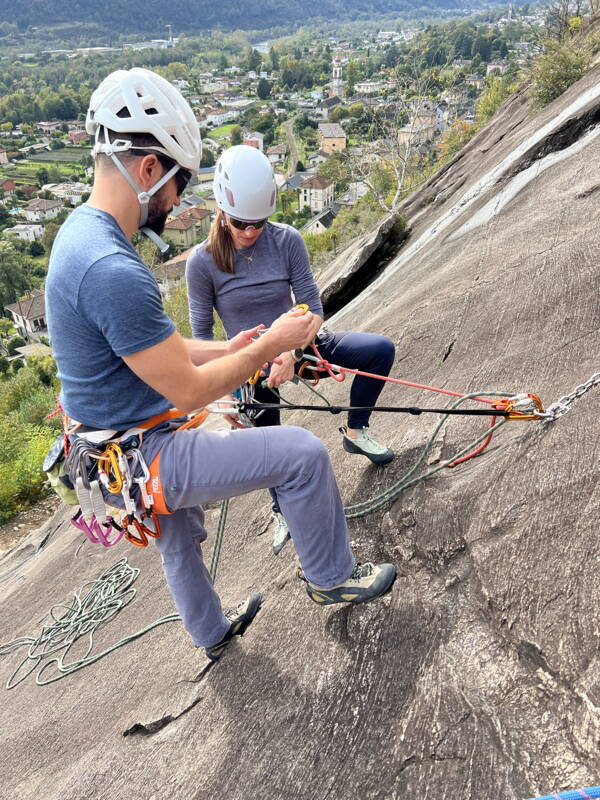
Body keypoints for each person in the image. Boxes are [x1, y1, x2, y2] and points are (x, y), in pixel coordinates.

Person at [45, 67, 396, 663]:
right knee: (302, 457)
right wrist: (263, 351)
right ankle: (331, 576)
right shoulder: (112, 268)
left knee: (179, 534)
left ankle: (211, 634)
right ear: (148, 169)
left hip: (113, 449)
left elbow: (167, 350)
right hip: (147, 447)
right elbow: (185, 389)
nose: (179, 200)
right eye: (179, 182)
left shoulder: (81, 239)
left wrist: (235, 348)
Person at [186, 145, 397, 556]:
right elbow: (202, 335)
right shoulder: (203, 262)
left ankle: (356, 430)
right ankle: (281, 507)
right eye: (241, 222)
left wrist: (294, 354)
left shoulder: (287, 241)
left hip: (299, 347)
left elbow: (314, 309)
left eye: (259, 223)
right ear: (222, 211)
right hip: (250, 365)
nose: (250, 232)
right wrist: (226, 390)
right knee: (271, 443)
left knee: (378, 352)